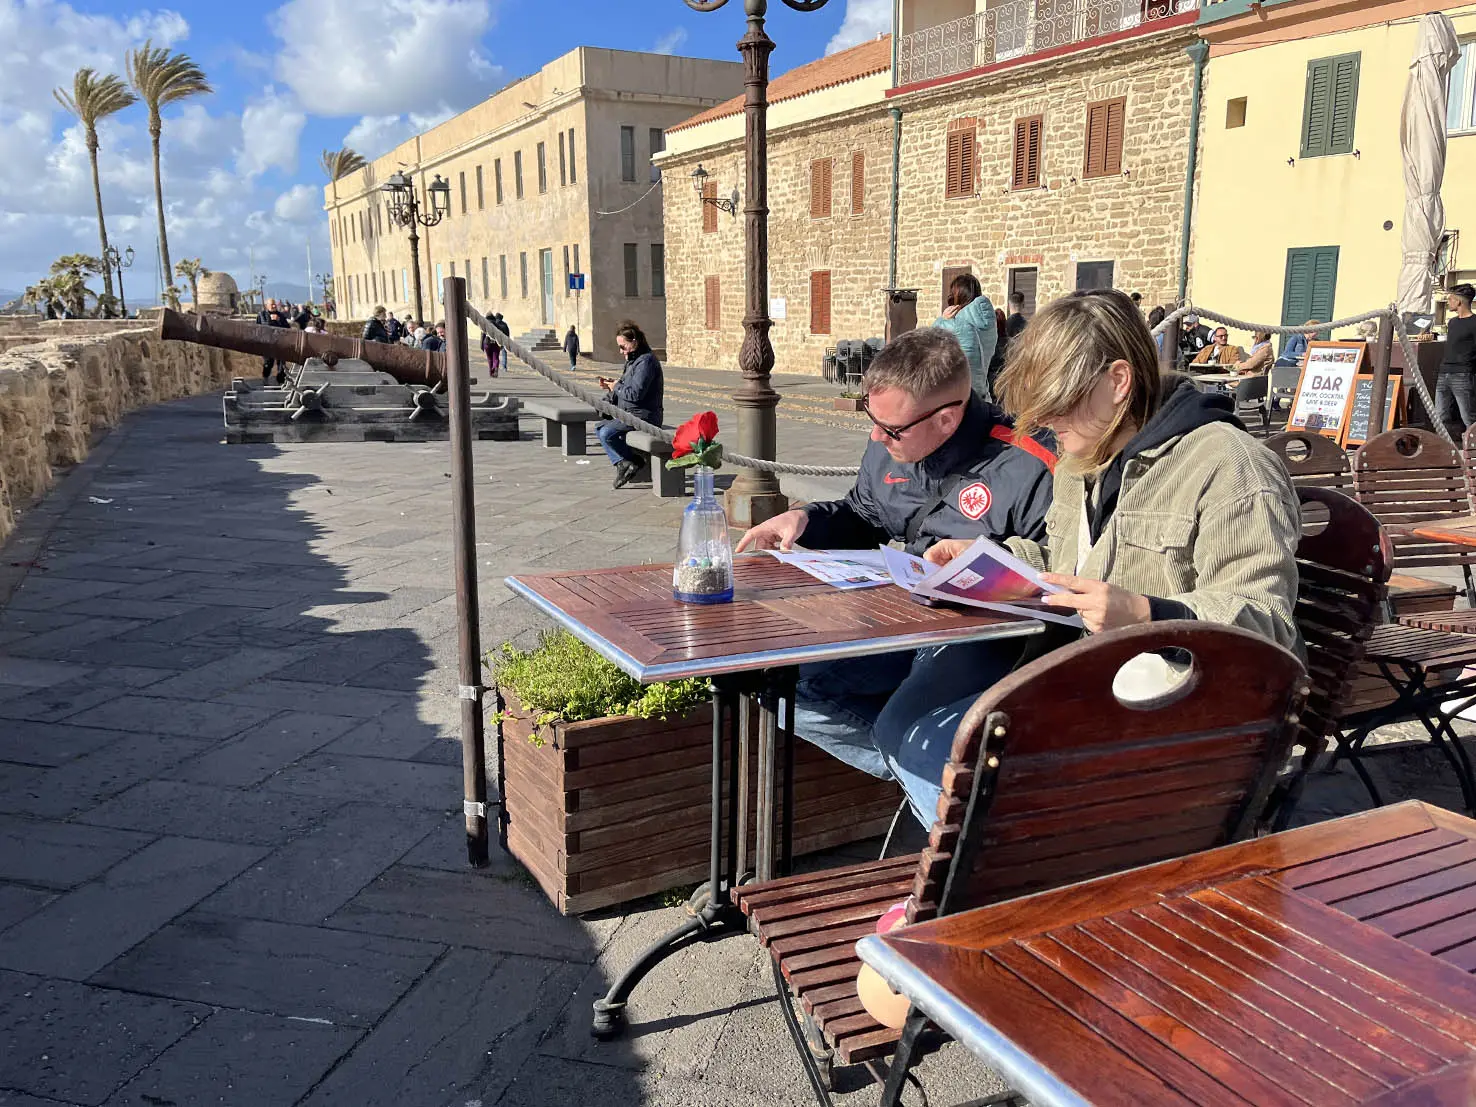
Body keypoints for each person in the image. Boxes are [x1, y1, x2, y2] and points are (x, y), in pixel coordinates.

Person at [872, 289, 1302, 823]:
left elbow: (1270, 628)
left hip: (1173, 721)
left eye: (1059, 404)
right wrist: (985, 558)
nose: (1047, 423)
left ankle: (1005, 879)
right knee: (907, 726)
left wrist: (1148, 615)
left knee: (956, 756)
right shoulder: (1081, 461)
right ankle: (987, 875)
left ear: (1118, 382)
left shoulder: (1231, 467)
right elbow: (1065, 555)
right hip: (1080, 686)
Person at [734, 327, 1056, 779]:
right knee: (778, 681)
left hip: (986, 638)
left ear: (946, 419)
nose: (876, 437)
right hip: (900, 616)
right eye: (872, 418)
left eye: (891, 429)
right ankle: (932, 776)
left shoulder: (1030, 464)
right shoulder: (889, 439)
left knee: (901, 728)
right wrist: (807, 519)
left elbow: (1059, 570)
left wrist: (988, 558)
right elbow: (865, 516)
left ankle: (933, 775)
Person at [597, 321, 664, 489]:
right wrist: (609, 392)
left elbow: (635, 394)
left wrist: (616, 386)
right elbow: (626, 387)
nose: (621, 351)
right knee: (599, 428)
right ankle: (623, 463)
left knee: (607, 433)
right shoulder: (633, 361)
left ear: (634, 341)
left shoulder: (646, 362)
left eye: (623, 346)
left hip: (645, 416)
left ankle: (633, 461)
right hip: (630, 413)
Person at [932, 273, 998, 399]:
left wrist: (942, 320)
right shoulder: (989, 321)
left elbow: (928, 342)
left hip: (962, 398)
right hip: (983, 394)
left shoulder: (956, 323)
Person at [1438, 284, 1476, 441]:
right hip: (1444, 373)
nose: (1448, 302)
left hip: (1463, 374)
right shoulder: (1452, 322)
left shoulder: (1474, 322)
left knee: (1468, 417)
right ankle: (1445, 449)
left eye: (1450, 299)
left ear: (1459, 301)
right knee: (1440, 415)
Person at [255, 298, 291, 383]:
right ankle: (265, 379)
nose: (274, 306)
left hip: (280, 343)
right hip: (267, 343)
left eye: (275, 304)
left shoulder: (280, 315)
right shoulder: (261, 315)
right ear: (267, 306)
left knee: (281, 364)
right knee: (268, 363)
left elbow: (287, 328)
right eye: (272, 304)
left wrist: (278, 320)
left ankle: (281, 381)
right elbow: (257, 328)